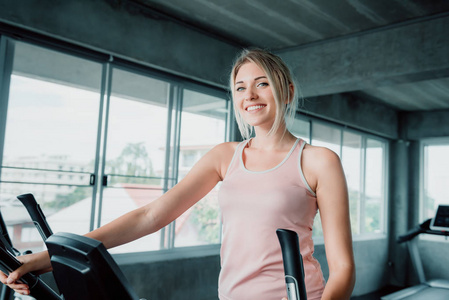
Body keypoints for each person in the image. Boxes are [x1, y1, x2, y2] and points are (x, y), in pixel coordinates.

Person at [1, 49, 355, 299]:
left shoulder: (318, 161)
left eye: (262, 84)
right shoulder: (224, 156)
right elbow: (151, 215)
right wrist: (48, 258)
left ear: (287, 91)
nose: (250, 95)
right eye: (240, 87)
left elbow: (342, 268)